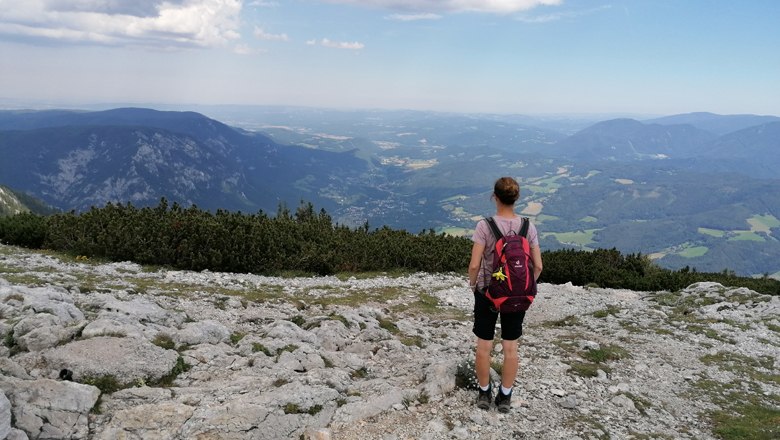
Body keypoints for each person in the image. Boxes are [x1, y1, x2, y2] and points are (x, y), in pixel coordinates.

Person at [467, 176, 543, 412]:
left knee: (484, 346)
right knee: (511, 347)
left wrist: (474, 285)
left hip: (488, 293)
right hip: (517, 296)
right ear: (516, 198)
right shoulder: (528, 227)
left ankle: (483, 394)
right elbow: (538, 265)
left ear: (495, 197)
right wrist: (521, 286)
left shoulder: (484, 226)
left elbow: (474, 265)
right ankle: (506, 397)